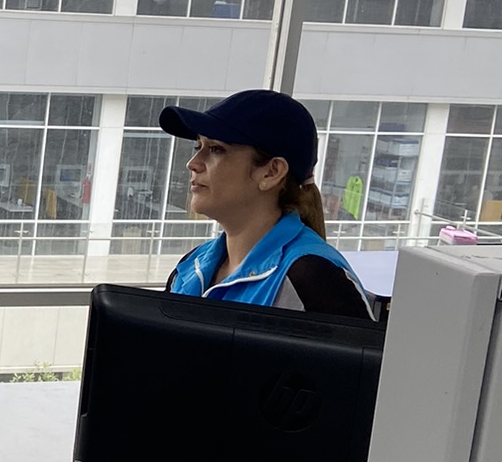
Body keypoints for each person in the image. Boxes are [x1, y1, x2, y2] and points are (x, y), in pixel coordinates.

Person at [159, 89, 372, 318]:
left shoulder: (317, 280)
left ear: (272, 172)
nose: (193, 163)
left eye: (216, 149)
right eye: (198, 146)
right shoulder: (192, 265)